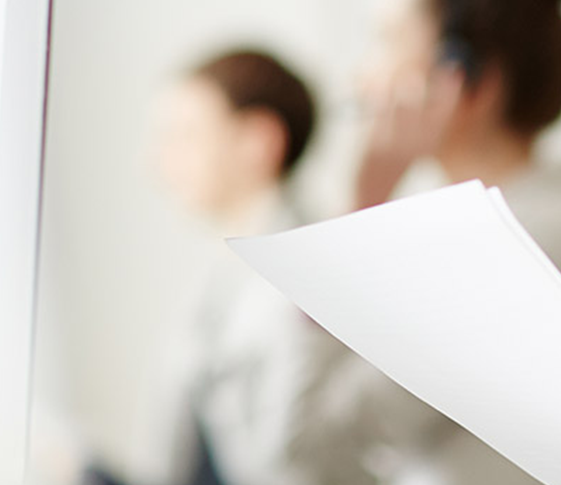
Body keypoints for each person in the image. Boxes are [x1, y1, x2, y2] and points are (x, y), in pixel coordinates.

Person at [346, 0, 561, 484]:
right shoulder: (496, 226)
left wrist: (358, 210)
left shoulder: (514, 242)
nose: (361, 77)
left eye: (387, 39)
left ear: (462, 77)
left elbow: (316, 450)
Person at [92, 48, 374, 485]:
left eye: (184, 136)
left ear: (259, 141)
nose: (155, 163)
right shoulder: (218, 281)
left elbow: (292, 461)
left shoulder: (313, 277)